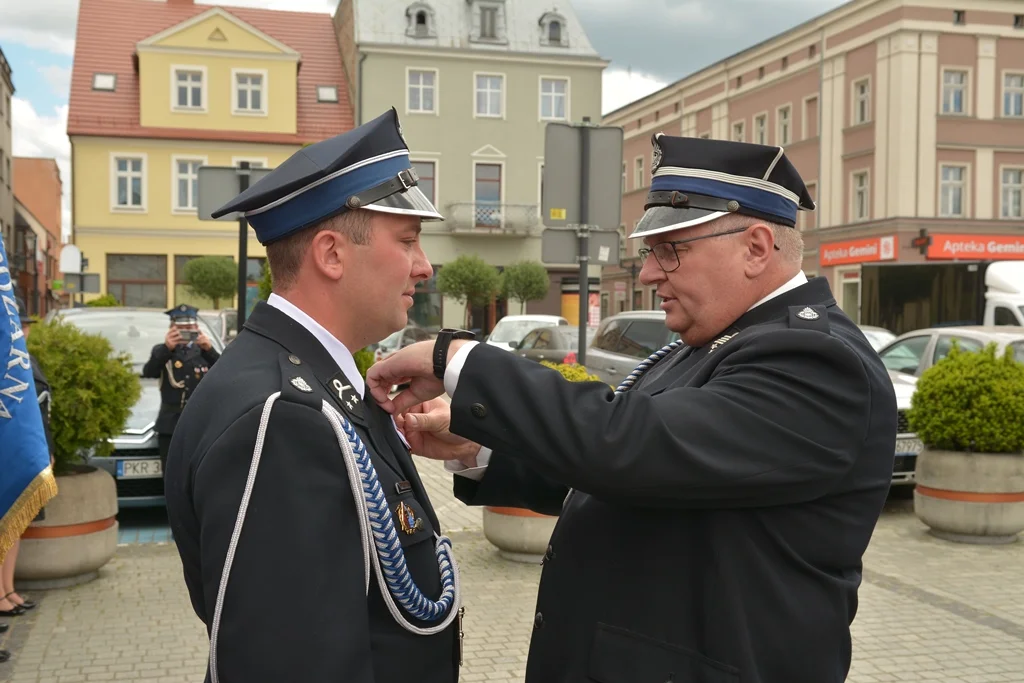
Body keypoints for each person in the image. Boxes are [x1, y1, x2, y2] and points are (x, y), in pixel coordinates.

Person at [366, 135, 899, 683]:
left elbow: (635, 446)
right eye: (649, 252)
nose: (647, 274)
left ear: (757, 247)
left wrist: (462, 360)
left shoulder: (816, 359)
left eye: (671, 249)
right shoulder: (714, 341)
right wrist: (482, 447)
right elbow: (642, 477)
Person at [163, 107, 463, 683]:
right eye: (408, 240)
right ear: (331, 254)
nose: (424, 267)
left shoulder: (312, 383)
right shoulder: (282, 418)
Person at [0, 298, 50, 632]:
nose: (25, 329)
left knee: (14, 528)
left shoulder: (25, 361)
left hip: (26, 453)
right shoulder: (8, 363)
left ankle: (8, 590)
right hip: (10, 455)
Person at [142, 304, 219, 472]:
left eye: (189, 328)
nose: (185, 333)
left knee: (199, 472)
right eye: (180, 329)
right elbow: (149, 372)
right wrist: (166, 348)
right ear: (171, 329)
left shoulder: (204, 352)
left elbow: (225, 373)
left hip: (199, 424)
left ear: (197, 328)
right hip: (170, 425)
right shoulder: (162, 352)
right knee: (171, 474)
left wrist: (209, 350)